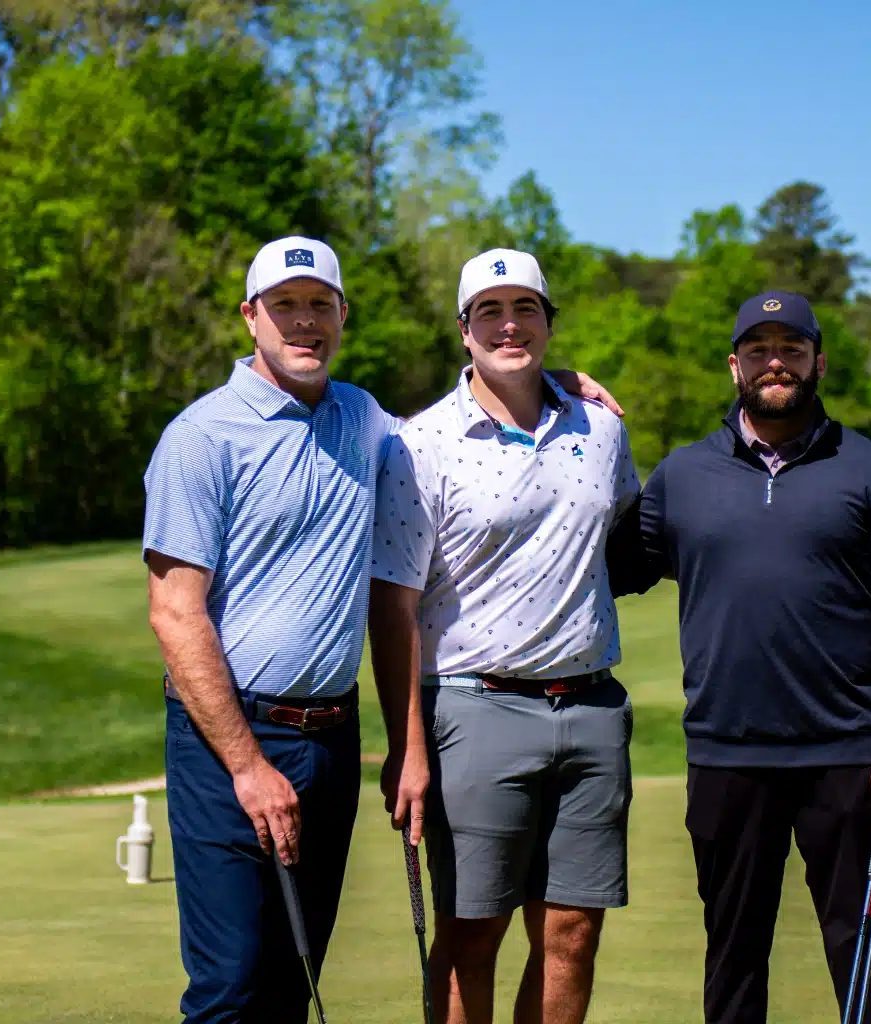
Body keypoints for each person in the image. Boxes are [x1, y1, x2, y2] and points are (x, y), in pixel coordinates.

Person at [144, 236, 620, 1023]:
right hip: (232, 739)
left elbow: (470, 422)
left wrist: (547, 379)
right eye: (285, 305)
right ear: (249, 316)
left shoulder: (363, 418)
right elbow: (174, 613)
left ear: (341, 314)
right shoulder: (202, 437)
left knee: (292, 981)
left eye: (319, 305)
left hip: (329, 737)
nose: (304, 323)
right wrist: (247, 766)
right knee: (230, 986)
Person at [606, 290, 871, 1024]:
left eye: (791, 348)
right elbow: (603, 567)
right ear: (735, 366)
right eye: (759, 350)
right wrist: (568, 404)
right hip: (727, 756)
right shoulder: (683, 477)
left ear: (818, 360)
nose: (775, 363)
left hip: (849, 756)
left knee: (860, 949)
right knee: (732, 954)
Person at [368, 248, 641, 1024]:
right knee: (470, 935)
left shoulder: (601, 429)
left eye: (525, 309)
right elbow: (393, 607)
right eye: (489, 311)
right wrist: (408, 746)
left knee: (573, 934)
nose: (508, 325)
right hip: (474, 709)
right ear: (464, 330)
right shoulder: (419, 445)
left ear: (549, 323)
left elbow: (621, 536)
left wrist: (579, 391)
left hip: (592, 710)